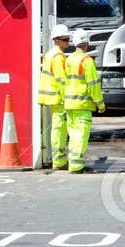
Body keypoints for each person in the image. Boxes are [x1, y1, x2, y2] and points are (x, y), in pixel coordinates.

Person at [62, 31, 105, 173]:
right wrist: (100, 104)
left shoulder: (68, 60)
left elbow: (64, 82)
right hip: (82, 105)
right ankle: (76, 165)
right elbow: (93, 85)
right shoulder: (87, 61)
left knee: (73, 134)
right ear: (87, 44)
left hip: (69, 104)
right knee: (81, 134)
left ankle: (73, 162)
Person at [38, 24, 72, 169]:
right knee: (59, 129)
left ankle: (58, 159)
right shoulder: (58, 57)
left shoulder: (49, 54)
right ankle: (59, 161)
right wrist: (67, 97)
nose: (68, 42)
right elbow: (61, 79)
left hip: (51, 97)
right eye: (65, 39)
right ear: (57, 40)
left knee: (57, 128)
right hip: (58, 98)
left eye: (68, 39)